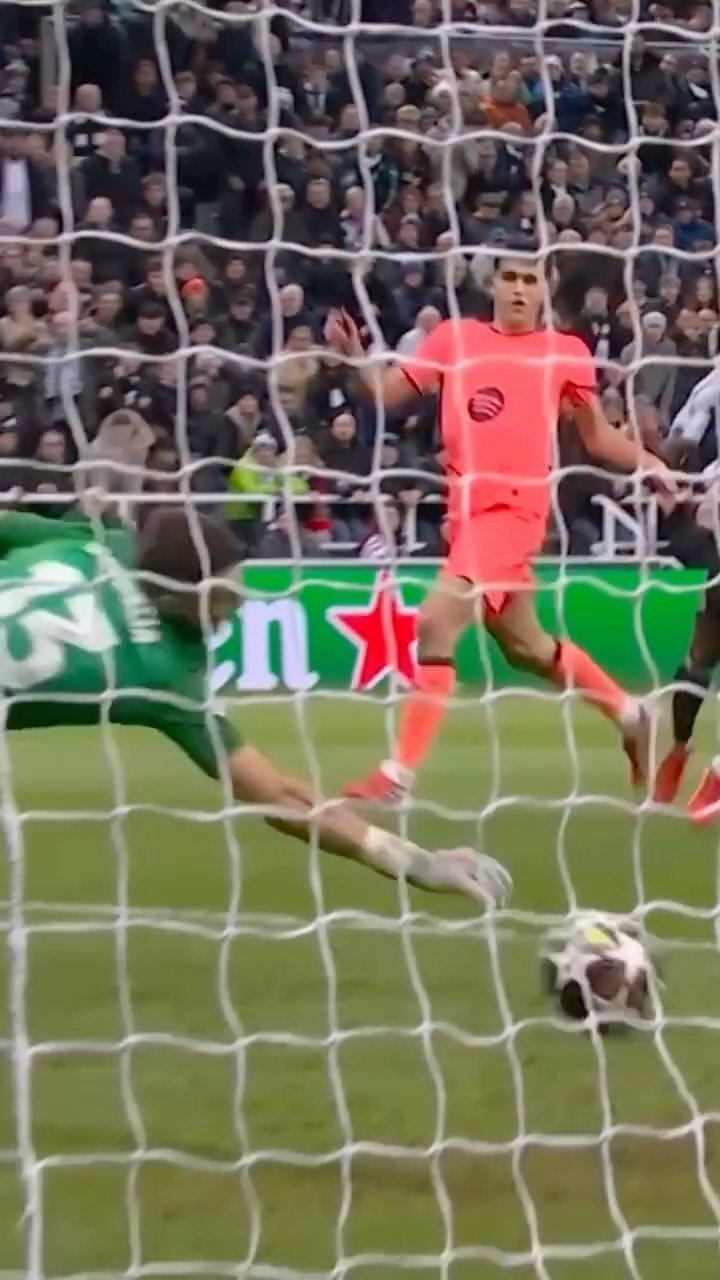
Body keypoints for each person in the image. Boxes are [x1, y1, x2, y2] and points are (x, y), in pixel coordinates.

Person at [0, 499, 510, 909]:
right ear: (175, 598)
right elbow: (280, 798)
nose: (237, 605)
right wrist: (417, 863)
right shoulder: (162, 671)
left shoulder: (95, 545)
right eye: (224, 595)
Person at [325, 254, 678, 803]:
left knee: (436, 620)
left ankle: (399, 773)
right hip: (466, 517)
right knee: (526, 647)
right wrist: (355, 358)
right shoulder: (454, 338)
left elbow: (597, 437)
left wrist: (649, 462)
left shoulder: (564, 352)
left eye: (529, 280)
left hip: (515, 511)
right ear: (492, 285)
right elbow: (385, 393)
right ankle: (632, 714)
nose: (518, 289)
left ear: (544, 292)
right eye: (509, 278)